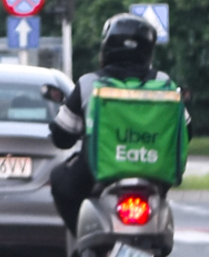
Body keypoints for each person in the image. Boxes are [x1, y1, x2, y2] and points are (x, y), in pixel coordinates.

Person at [44, 13, 182, 224]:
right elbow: (187, 129)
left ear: (106, 47)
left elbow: (62, 137)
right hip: (155, 175)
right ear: (148, 51)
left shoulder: (89, 84)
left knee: (59, 180)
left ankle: (82, 240)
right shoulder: (165, 84)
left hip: (94, 175)